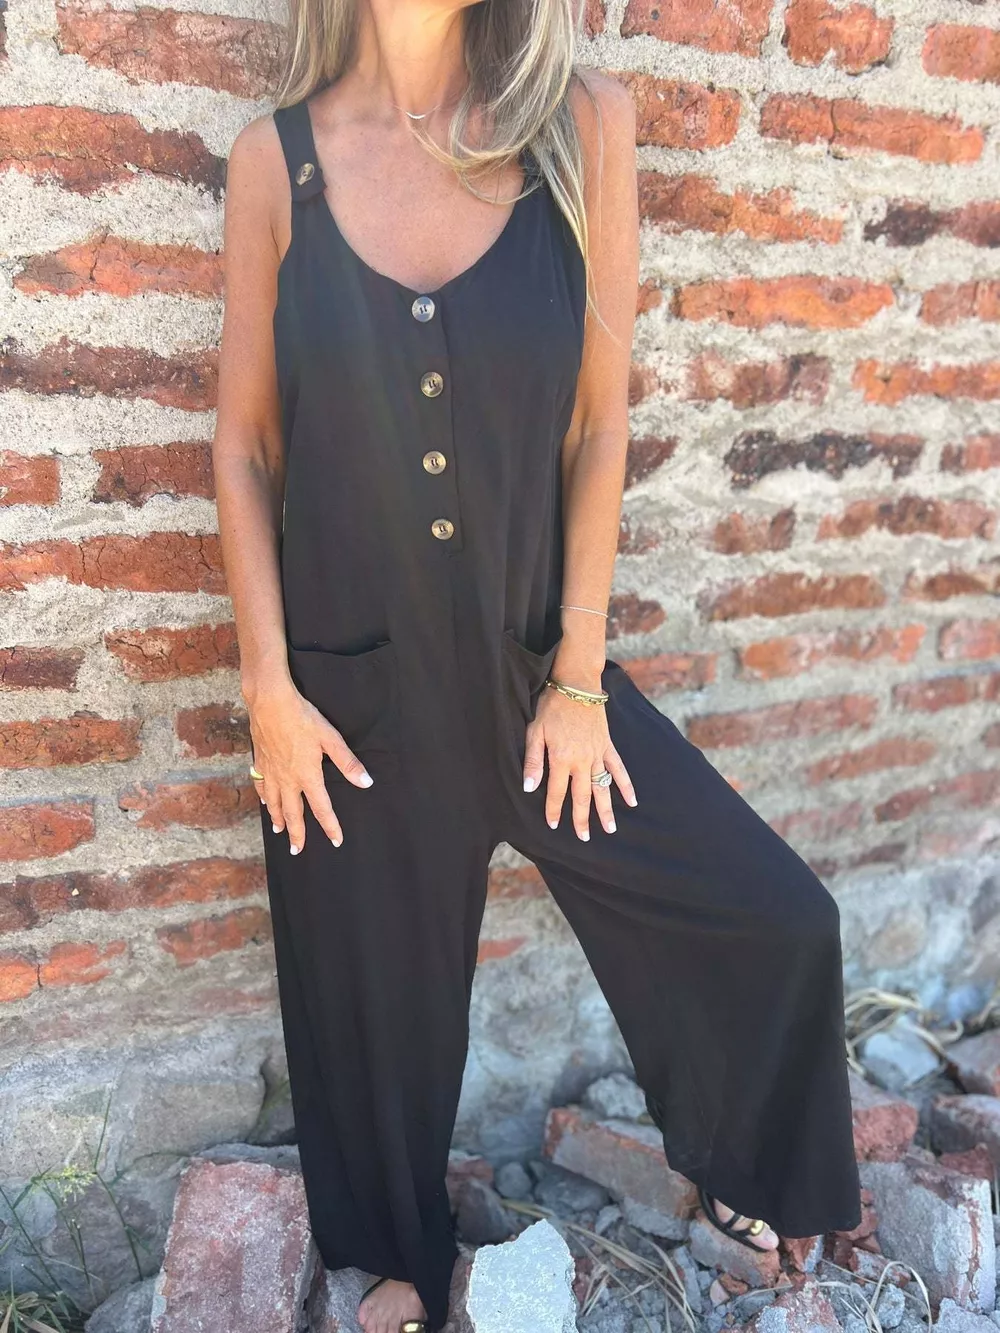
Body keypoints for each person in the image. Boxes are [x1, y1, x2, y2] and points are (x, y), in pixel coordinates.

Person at [212, 0, 863, 1324]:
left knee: (776, 920)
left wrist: (577, 679)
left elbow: (598, 425)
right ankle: (397, 1264)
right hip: (353, 701)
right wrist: (270, 690)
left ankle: (748, 1161)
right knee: (370, 1033)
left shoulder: (581, 129)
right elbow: (243, 444)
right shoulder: (278, 163)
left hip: (533, 679)